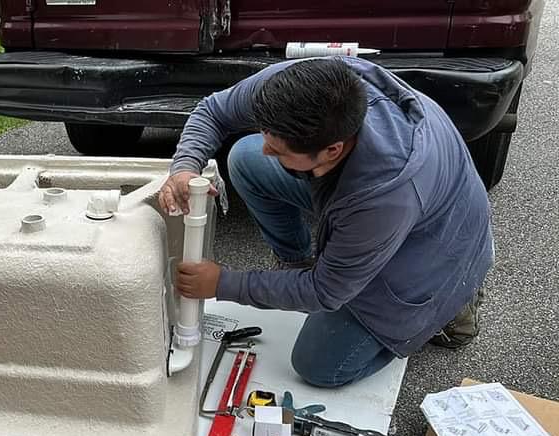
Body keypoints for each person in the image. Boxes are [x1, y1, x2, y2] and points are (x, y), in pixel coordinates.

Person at [160, 57, 492, 388]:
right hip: (401, 201)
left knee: (318, 366)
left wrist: (224, 284)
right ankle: (296, 268)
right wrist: (185, 166)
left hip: (435, 244)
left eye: (278, 149)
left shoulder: (383, 196)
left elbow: (326, 291)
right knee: (246, 159)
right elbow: (213, 110)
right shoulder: (304, 87)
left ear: (332, 150)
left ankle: (453, 302)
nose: (267, 150)